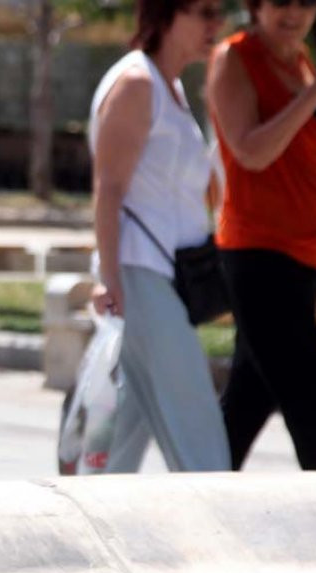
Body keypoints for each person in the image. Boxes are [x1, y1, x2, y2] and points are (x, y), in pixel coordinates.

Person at [206, 0, 316, 470]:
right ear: (256, 7)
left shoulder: (301, 62)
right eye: (280, 2)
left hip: (307, 257)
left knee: (245, 403)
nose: (292, 13)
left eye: (304, 3)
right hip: (260, 255)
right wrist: (315, 95)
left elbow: (306, 131)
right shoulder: (234, 59)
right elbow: (251, 150)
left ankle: (195, 490)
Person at [87, 0, 230, 473]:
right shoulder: (137, 83)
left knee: (127, 425)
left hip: (158, 276)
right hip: (139, 275)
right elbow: (108, 189)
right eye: (204, 11)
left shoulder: (168, 86)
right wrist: (110, 279)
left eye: (219, 12)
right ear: (166, 15)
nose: (216, 23)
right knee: (196, 424)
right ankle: (221, 531)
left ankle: (89, 516)